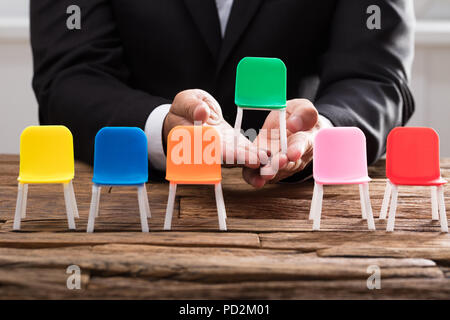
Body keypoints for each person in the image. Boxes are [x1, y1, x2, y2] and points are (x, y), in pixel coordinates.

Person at [30, 0, 415, 187]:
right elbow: (70, 77)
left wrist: (321, 133)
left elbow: (376, 76)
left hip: (298, 201)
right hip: (132, 200)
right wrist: (163, 127)